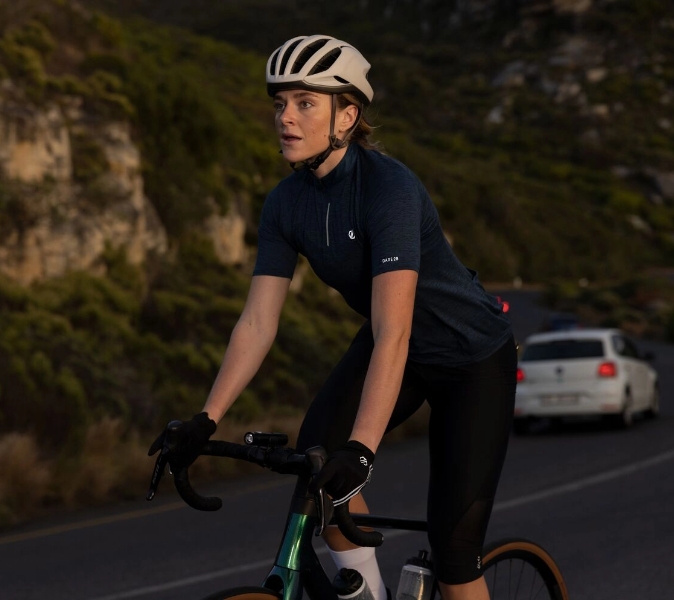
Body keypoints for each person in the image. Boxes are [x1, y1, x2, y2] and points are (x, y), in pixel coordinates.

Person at [149, 34, 517, 600]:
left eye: (305, 103)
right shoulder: (286, 203)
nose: (285, 118)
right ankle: (368, 592)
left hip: (472, 358)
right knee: (317, 464)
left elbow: (393, 331)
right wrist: (206, 418)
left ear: (347, 116)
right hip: (398, 348)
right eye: (280, 104)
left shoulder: (389, 188)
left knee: (454, 553)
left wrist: (362, 450)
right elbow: (257, 323)